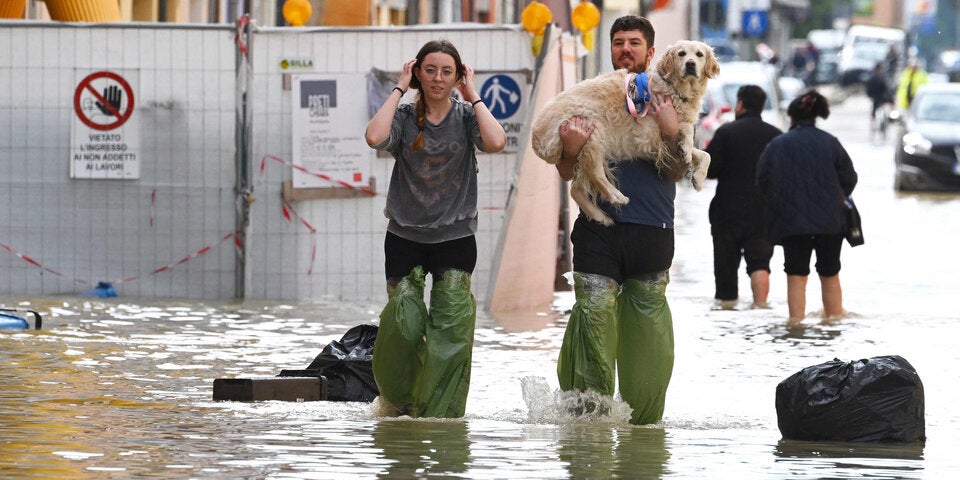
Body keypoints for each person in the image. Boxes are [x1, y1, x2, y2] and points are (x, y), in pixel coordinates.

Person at [550, 15, 684, 425]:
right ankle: (588, 421)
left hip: (652, 230)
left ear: (651, 50)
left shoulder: (672, 98)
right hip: (597, 231)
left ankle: (643, 426)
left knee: (647, 333)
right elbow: (566, 171)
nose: (626, 49)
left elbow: (679, 171)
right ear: (610, 49)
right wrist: (570, 150)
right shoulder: (590, 97)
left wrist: (670, 131)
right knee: (592, 315)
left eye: (635, 43)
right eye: (619, 42)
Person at [364, 39, 506, 418]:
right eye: (430, 70)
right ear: (418, 74)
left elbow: (496, 142)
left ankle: (440, 417)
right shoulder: (405, 116)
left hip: (455, 238)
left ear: (458, 75)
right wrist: (399, 86)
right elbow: (374, 137)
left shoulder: (465, 115)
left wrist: (473, 93)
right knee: (404, 326)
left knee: (451, 333)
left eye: (447, 71)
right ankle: (401, 404)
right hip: (405, 237)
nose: (438, 78)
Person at [756, 90, 858, 326]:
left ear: (791, 116)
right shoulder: (830, 143)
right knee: (830, 272)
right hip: (831, 221)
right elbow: (850, 179)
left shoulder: (777, 145)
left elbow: (762, 182)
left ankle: (796, 325)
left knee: (796, 274)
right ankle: (833, 323)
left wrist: (782, 202)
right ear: (816, 116)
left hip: (791, 222)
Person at [705, 85, 782, 310]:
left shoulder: (726, 132)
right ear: (760, 105)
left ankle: (727, 312)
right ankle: (761, 307)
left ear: (739, 105)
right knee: (760, 265)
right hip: (762, 214)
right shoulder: (775, 135)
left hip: (727, 214)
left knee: (726, 273)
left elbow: (710, 170)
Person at [865, 62, 893, 138]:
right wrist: (891, 101)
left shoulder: (871, 78)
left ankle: (873, 131)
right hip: (882, 99)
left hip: (875, 99)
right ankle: (879, 130)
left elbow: (868, 91)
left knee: (873, 116)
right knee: (882, 115)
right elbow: (887, 90)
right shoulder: (882, 78)